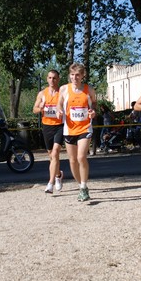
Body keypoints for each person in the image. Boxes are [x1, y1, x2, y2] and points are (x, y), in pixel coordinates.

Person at [56, 63, 97, 202]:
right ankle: (81, 186)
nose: (75, 77)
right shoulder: (64, 89)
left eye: (77, 75)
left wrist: (93, 111)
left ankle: (84, 186)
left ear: (82, 75)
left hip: (85, 128)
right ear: (69, 75)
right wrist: (59, 110)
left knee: (81, 157)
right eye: (72, 75)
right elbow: (59, 103)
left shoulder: (88, 89)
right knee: (72, 161)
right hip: (69, 129)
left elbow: (95, 103)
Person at [33, 69, 65, 194]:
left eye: (55, 78)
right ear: (47, 79)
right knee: (51, 156)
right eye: (50, 78)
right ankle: (58, 175)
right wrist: (40, 107)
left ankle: (50, 183)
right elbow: (34, 109)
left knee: (55, 153)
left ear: (58, 79)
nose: (52, 80)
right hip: (47, 127)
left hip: (60, 126)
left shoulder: (62, 92)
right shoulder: (42, 93)